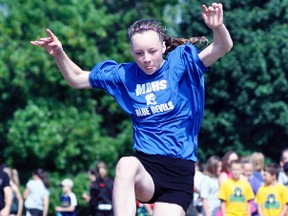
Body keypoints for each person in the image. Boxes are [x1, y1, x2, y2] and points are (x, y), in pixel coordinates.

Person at [30, 2, 233, 215]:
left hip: (178, 173)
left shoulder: (182, 64)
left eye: (152, 51)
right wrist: (59, 54)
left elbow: (222, 47)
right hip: (145, 169)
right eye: (139, 53)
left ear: (164, 46)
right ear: (131, 52)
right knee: (126, 164)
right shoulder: (125, 76)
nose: (146, 59)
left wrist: (218, 27)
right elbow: (77, 78)